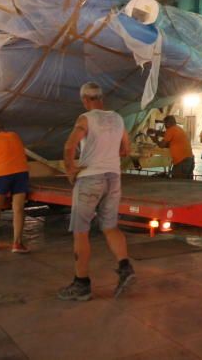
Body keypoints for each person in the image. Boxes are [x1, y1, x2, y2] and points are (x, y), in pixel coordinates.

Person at [58, 82, 136, 301]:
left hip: (90, 178)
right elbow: (126, 149)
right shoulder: (118, 119)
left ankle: (81, 284)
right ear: (102, 98)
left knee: (81, 231)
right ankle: (124, 266)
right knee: (110, 226)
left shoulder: (85, 119)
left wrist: (71, 170)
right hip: (114, 178)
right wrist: (108, 155)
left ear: (85, 99)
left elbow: (68, 146)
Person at [0, 119, 30, 253]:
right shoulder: (14, 135)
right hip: (21, 173)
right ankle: (17, 244)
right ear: (3, 129)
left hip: (2, 175)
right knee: (18, 208)